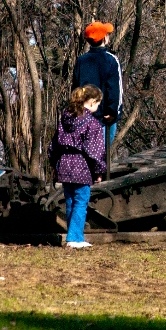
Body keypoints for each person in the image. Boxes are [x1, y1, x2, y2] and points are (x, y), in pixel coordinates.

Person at [48, 84, 106, 249]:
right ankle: (74, 238)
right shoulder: (92, 124)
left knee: (70, 201)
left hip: (64, 164)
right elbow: (94, 152)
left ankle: (76, 236)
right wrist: (99, 171)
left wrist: (55, 164)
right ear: (92, 102)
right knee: (81, 201)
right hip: (81, 165)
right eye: (98, 103)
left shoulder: (64, 120)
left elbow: (53, 146)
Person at [72, 21, 123, 147]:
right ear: (105, 38)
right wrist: (113, 112)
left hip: (83, 116)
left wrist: (76, 111)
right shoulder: (111, 60)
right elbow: (115, 90)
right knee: (102, 157)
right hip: (104, 118)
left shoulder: (81, 61)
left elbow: (75, 89)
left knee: (86, 155)